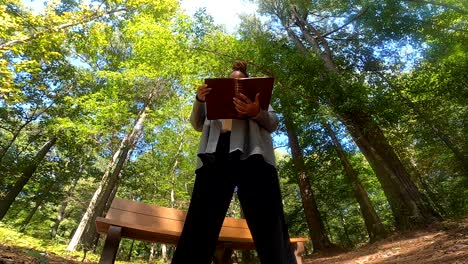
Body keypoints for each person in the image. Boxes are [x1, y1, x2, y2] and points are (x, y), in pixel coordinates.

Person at [172, 61, 296, 264]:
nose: (235, 84)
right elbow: (196, 124)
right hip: (214, 155)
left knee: (268, 217)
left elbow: (273, 123)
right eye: (231, 81)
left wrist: (256, 112)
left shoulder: (258, 97)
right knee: (201, 219)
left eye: (240, 81)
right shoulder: (211, 98)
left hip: (253, 155)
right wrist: (198, 99)